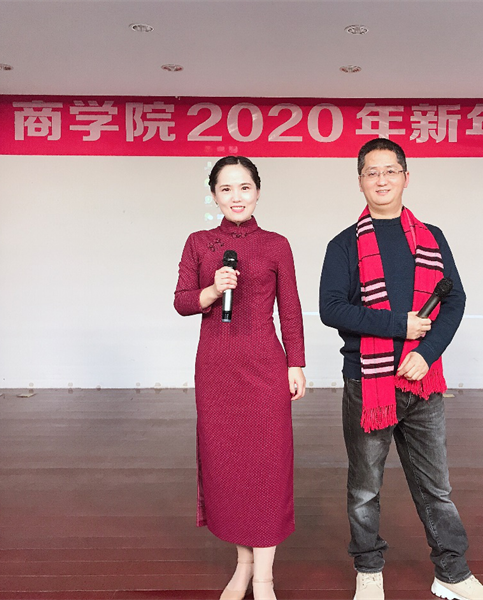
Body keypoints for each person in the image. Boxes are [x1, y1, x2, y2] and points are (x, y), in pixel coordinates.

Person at [319, 139, 483, 600]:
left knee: (436, 486)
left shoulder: (431, 237)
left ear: (405, 176)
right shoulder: (343, 245)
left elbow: (454, 300)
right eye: (371, 172)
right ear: (360, 181)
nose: (381, 180)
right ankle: (368, 570)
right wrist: (398, 325)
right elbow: (331, 309)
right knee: (365, 488)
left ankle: (452, 573)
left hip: (422, 380)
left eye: (390, 171)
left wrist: (428, 352)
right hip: (368, 381)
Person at [174, 156, 306, 600]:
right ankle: (243, 564)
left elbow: (290, 308)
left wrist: (295, 363)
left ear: (258, 192)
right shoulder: (199, 243)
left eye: (244, 187)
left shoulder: (276, 244)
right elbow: (182, 301)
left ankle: (264, 577)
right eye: (226, 189)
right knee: (228, 467)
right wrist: (213, 290)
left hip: (265, 366)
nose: (236, 197)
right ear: (214, 195)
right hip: (217, 368)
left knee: (267, 466)